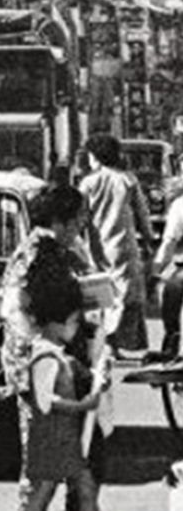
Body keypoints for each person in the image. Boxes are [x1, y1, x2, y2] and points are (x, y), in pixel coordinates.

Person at [1, 181, 108, 511]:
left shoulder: (60, 251)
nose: (81, 225)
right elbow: (14, 309)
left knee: (73, 449)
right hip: (43, 369)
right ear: (60, 221)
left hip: (65, 362)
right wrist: (41, 351)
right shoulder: (34, 254)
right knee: (44, 454)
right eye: (78, 218)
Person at [8, 277, 145, 511]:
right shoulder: (45, 355)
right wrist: (83, 404)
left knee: (83, 488)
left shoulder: (59, 354)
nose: (75, 328)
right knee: (42, 493)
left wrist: (99, 377)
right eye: (71, 322)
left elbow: (87, 377)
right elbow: (45, 401)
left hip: (65, 437)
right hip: (50, 437)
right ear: (54, 323)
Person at [78, 134, 150, 355]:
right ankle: (114, 340)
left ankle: (106, 339)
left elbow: (80, 217)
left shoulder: (88, 183)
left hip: (96, 249)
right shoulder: (127, 180)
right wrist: (147, 238)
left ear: (96, 156)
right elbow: (142, 213)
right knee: (124, 295)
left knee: (100, 294)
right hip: (124, 247)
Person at [151, 189, 183, 358]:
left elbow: (169, 243)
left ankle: (172, 341)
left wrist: (156, 272)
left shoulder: (180, 205)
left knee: (171, 290)